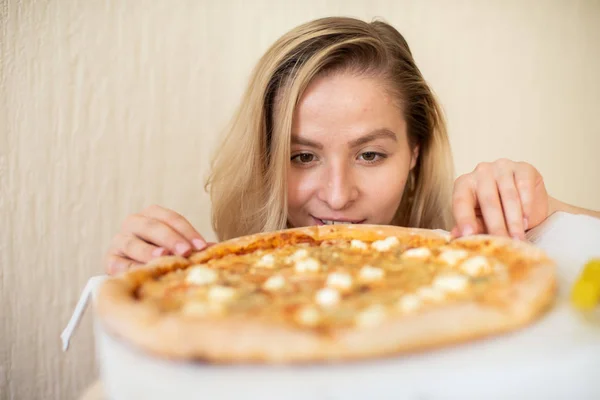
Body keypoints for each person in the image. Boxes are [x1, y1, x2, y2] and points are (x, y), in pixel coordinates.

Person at [105, 17, 599, 275]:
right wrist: (148, 277)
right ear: (265, 157)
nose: (338, 197)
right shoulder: (223, 283)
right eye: (302, 156)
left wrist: (554, 218)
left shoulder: (487, 261)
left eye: (370, 154)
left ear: (415, 153)